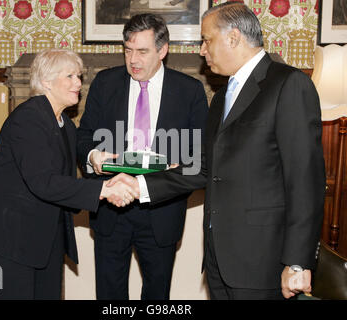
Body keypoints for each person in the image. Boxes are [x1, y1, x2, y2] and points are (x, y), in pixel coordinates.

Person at [109, 2, 326, 300]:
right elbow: (204, 167)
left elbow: (306, 181)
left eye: (206, 40)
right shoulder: (222, 96)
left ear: (233, 37)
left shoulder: (288, 84)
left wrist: (298, 261)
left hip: (264, 262)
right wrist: (139, 184)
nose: (201, 50)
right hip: (218, 261)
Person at [0, 49, 136, 300]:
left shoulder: (64, 124)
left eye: (79, 76)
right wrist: (104, 190)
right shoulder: (28, 119)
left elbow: (64, 180)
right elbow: (44, 182)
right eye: (69, 76)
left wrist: (96, 163)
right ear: (46, 81)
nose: (78, 83)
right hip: (5, 243)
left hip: (41, 244)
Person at [76, 13, 208, 299]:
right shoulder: (105, 83)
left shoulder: (190, 91)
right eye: (128, 49)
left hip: (161, 212)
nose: (133, 60)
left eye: (143, 51)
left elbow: (200, 158)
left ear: (163, 50)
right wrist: (93, 157)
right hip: (111, 208)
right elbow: (83, 138)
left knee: (157, 296)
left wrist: (179, 167)